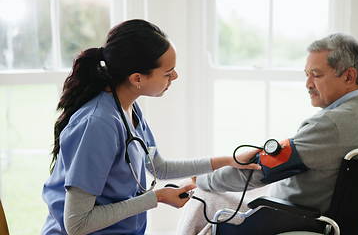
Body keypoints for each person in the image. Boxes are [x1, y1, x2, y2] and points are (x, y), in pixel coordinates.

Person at [41, 19, 259, 235]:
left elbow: (157, 167)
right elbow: (76, 224)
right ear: (137, 78)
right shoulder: (98, 125)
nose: (175, 76)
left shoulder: (127, 107)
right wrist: (157, 197)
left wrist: (229, 160)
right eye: (168, 72)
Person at [181, 33, 358, 233]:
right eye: (307, 75)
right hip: (310, 208)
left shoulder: (331, 124)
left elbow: (259, 171)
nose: (308, 84)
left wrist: (200, 179)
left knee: (204, 195)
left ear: (349, 76)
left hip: (290, 218)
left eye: (316, 75)